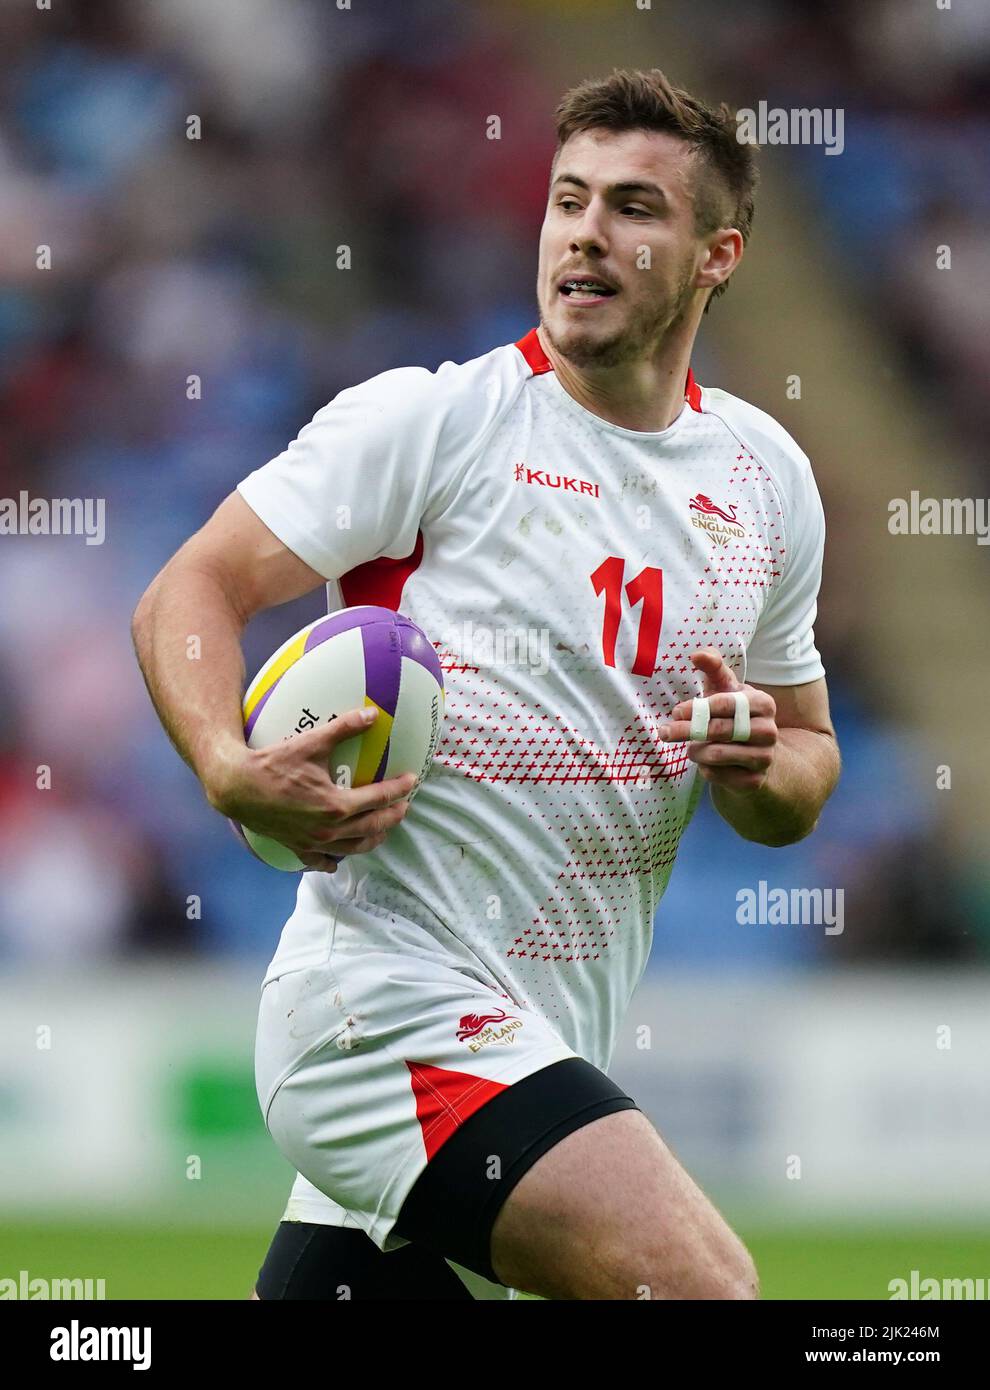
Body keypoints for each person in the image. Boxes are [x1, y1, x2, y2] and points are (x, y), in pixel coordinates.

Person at [132, 68, 841, 1301]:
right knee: (703, 1290)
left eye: (634, 208)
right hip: (380, 1014)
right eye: (569, 199)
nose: (586, 232)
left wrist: (761, 759)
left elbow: (805, 764)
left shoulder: (768, 480)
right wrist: (225, 765)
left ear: (716, 255)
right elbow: (187, 592)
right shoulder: (438, 424)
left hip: (541, 1031)